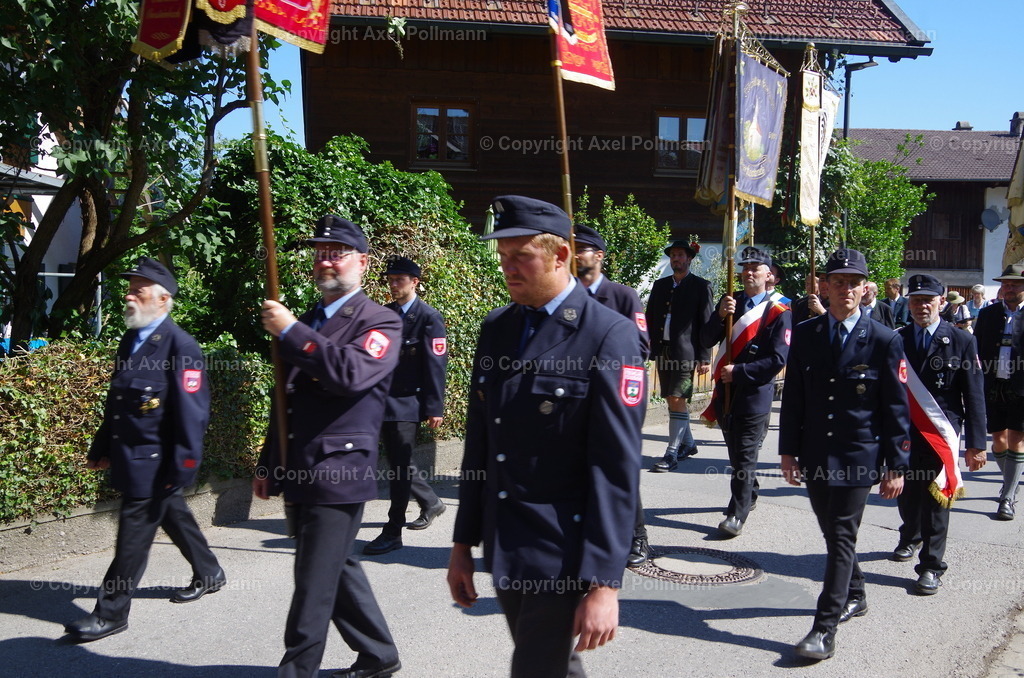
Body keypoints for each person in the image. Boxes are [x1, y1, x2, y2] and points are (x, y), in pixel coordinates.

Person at [447, 195, 644, 678]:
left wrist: (603, 582)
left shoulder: (606, 334)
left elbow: (615, 467)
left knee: (536, 667)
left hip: (561, 550)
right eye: (502, 258)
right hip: (505, 539)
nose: (508, 269)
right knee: (554, 666)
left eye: (521, 257)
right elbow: (481, 444)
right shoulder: (498, 327)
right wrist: (462, 545)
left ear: (561, 255)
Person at [254, 215, 402, 678]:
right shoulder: (309, 320)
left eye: (336, 252)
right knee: (335, 570)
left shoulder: (381, 320)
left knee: (312, 582)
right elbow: (288, 401)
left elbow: (350, 374)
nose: (326, 260)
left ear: (363, 262)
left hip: (338, 472)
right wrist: (268, 461)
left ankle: (296, 671)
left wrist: (291, 332)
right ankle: (379, 654)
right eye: (320, 252)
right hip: (300, 467)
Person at [64, 257, 225, 642]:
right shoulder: (131, 339)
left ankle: (111, 613)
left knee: (132, 538)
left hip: (157, 464)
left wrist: (184, 466)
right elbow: (117, 404)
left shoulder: (181, 346)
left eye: (139, 289)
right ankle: (209, 572)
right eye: (130, 288)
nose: (130, 295)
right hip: (132, 458)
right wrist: (102, 446)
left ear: (163, 298)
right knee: (173, 515)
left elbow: (192, 415)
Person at [779, 248, 910, 661]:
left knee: (839, 536)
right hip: (817, 451)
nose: (846, 289)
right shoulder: (806, 332)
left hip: (859, 455)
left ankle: (824, 627)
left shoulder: (886, 339)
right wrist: (788, 452)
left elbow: (895, 408)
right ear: (825, 287)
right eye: (838, 281)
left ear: (865, 288)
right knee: (830, 530)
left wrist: (896, 465)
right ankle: (857, 592)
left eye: (854, 282)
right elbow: (795, 398)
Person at [893, 274, 986, 594]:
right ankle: (910, 535)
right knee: (906, 494)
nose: (921, 306)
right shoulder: (897, 340)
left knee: (938, 498)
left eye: (927, 300)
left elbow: (974, 396)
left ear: (941, 303)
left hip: (940, 433)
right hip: (903, 432)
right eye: (915, 300)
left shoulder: (961, 341)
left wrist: (976, 444)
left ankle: (931, 566)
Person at [573, 223, 652, 566]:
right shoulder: (565, 296)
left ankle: (638, 539)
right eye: (570, 247)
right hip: (574, 399)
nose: (574, 255)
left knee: (618, 467)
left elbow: (641, 349)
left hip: (613, 398)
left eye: (581, 248)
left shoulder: (622, 296)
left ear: (599, 256)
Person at [700, 246, 790, 537]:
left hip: (754, 394)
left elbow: (777, 359)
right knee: (736, 454)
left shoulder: (780, 310)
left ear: (769, 275)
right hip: (725, 393)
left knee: (745, 454)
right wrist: (718, 315)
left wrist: (739, 372)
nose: (749, 272)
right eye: (746, 267)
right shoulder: (732, 302)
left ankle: (735, 514)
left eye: (756, 268)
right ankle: (749, 493)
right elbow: (706, 337)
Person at [363, 256, 448, 556]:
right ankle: (432, 502)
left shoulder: (429, 317)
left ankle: (392, 530)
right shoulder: (384, 314)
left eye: (399, 280)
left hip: (408, 402)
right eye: (390, 279)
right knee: (399, 462)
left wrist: (434, 407)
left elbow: (436, 365)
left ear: (415, 282)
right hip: (382, 401)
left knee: (399, 467)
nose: (393, 284)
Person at [646, 240, 713, 472]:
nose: (676, 259)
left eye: (680, 255)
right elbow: (650, 317)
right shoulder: (660, 285)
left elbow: (706, 324)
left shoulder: (701, 286)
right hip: (663, 350)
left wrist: (705, 357)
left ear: (689, 259)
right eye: (673, 255)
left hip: (686, 354)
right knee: (671, 398)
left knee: (677, 398)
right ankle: (689, 444)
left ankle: (671, 453)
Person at [973, 264, 1024, 520]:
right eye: (1005, 284)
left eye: (1014, 284)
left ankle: (1007, 497)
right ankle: (1010, 483)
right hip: (994, 384)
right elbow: (977, 349)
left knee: (1016, 438)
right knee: (998, 439)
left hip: (1022, 387)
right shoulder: (988, 314)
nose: (1009, 288)